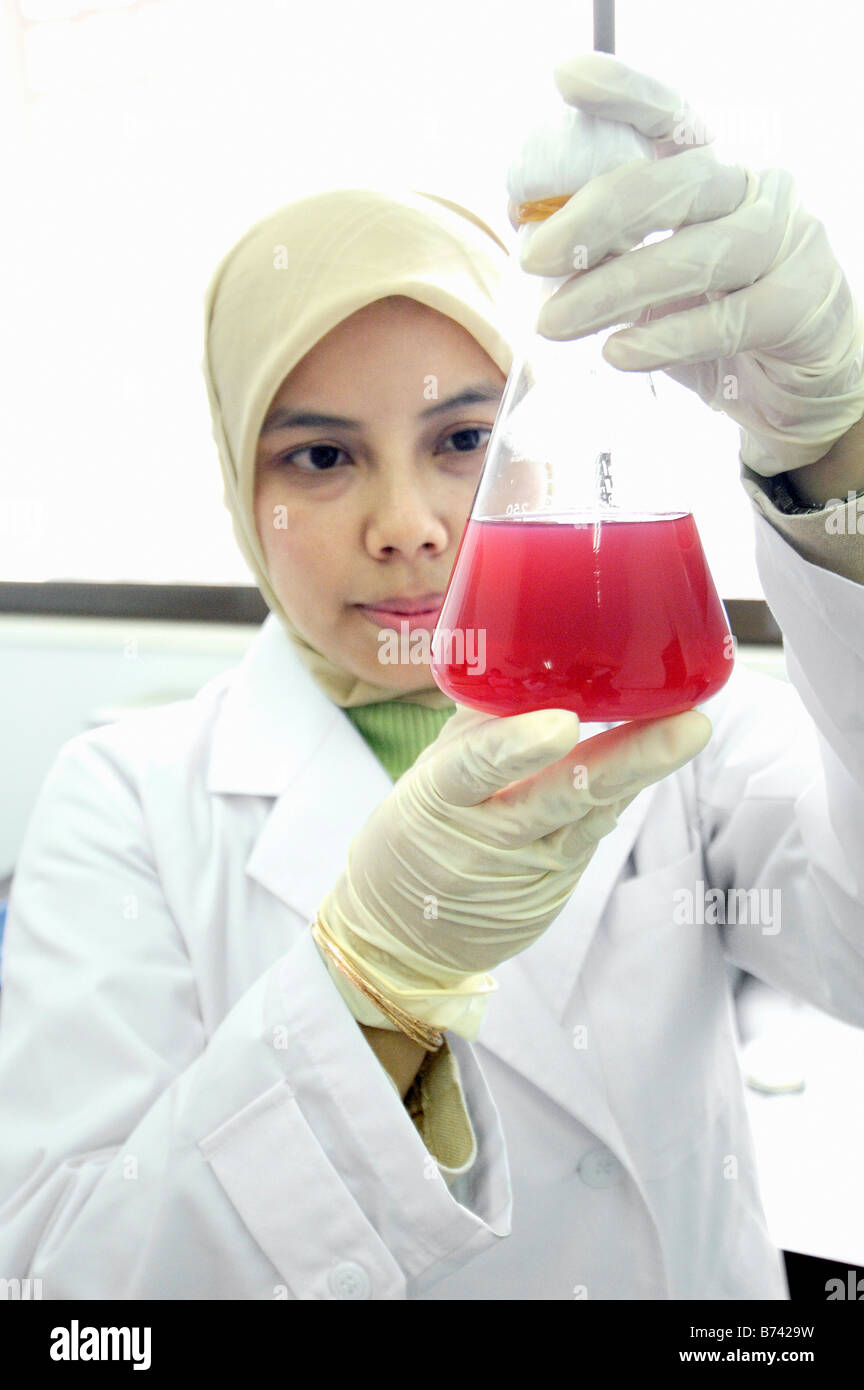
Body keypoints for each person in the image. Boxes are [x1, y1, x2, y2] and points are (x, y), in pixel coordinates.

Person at [1, 52, 863, 1302]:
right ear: (244, 492)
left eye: (465, 438)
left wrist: (835, 461)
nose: (404, 523)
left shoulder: (679, 726)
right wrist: (373, 989)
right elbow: (67, 1297)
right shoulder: (124, 803)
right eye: (318, 456)